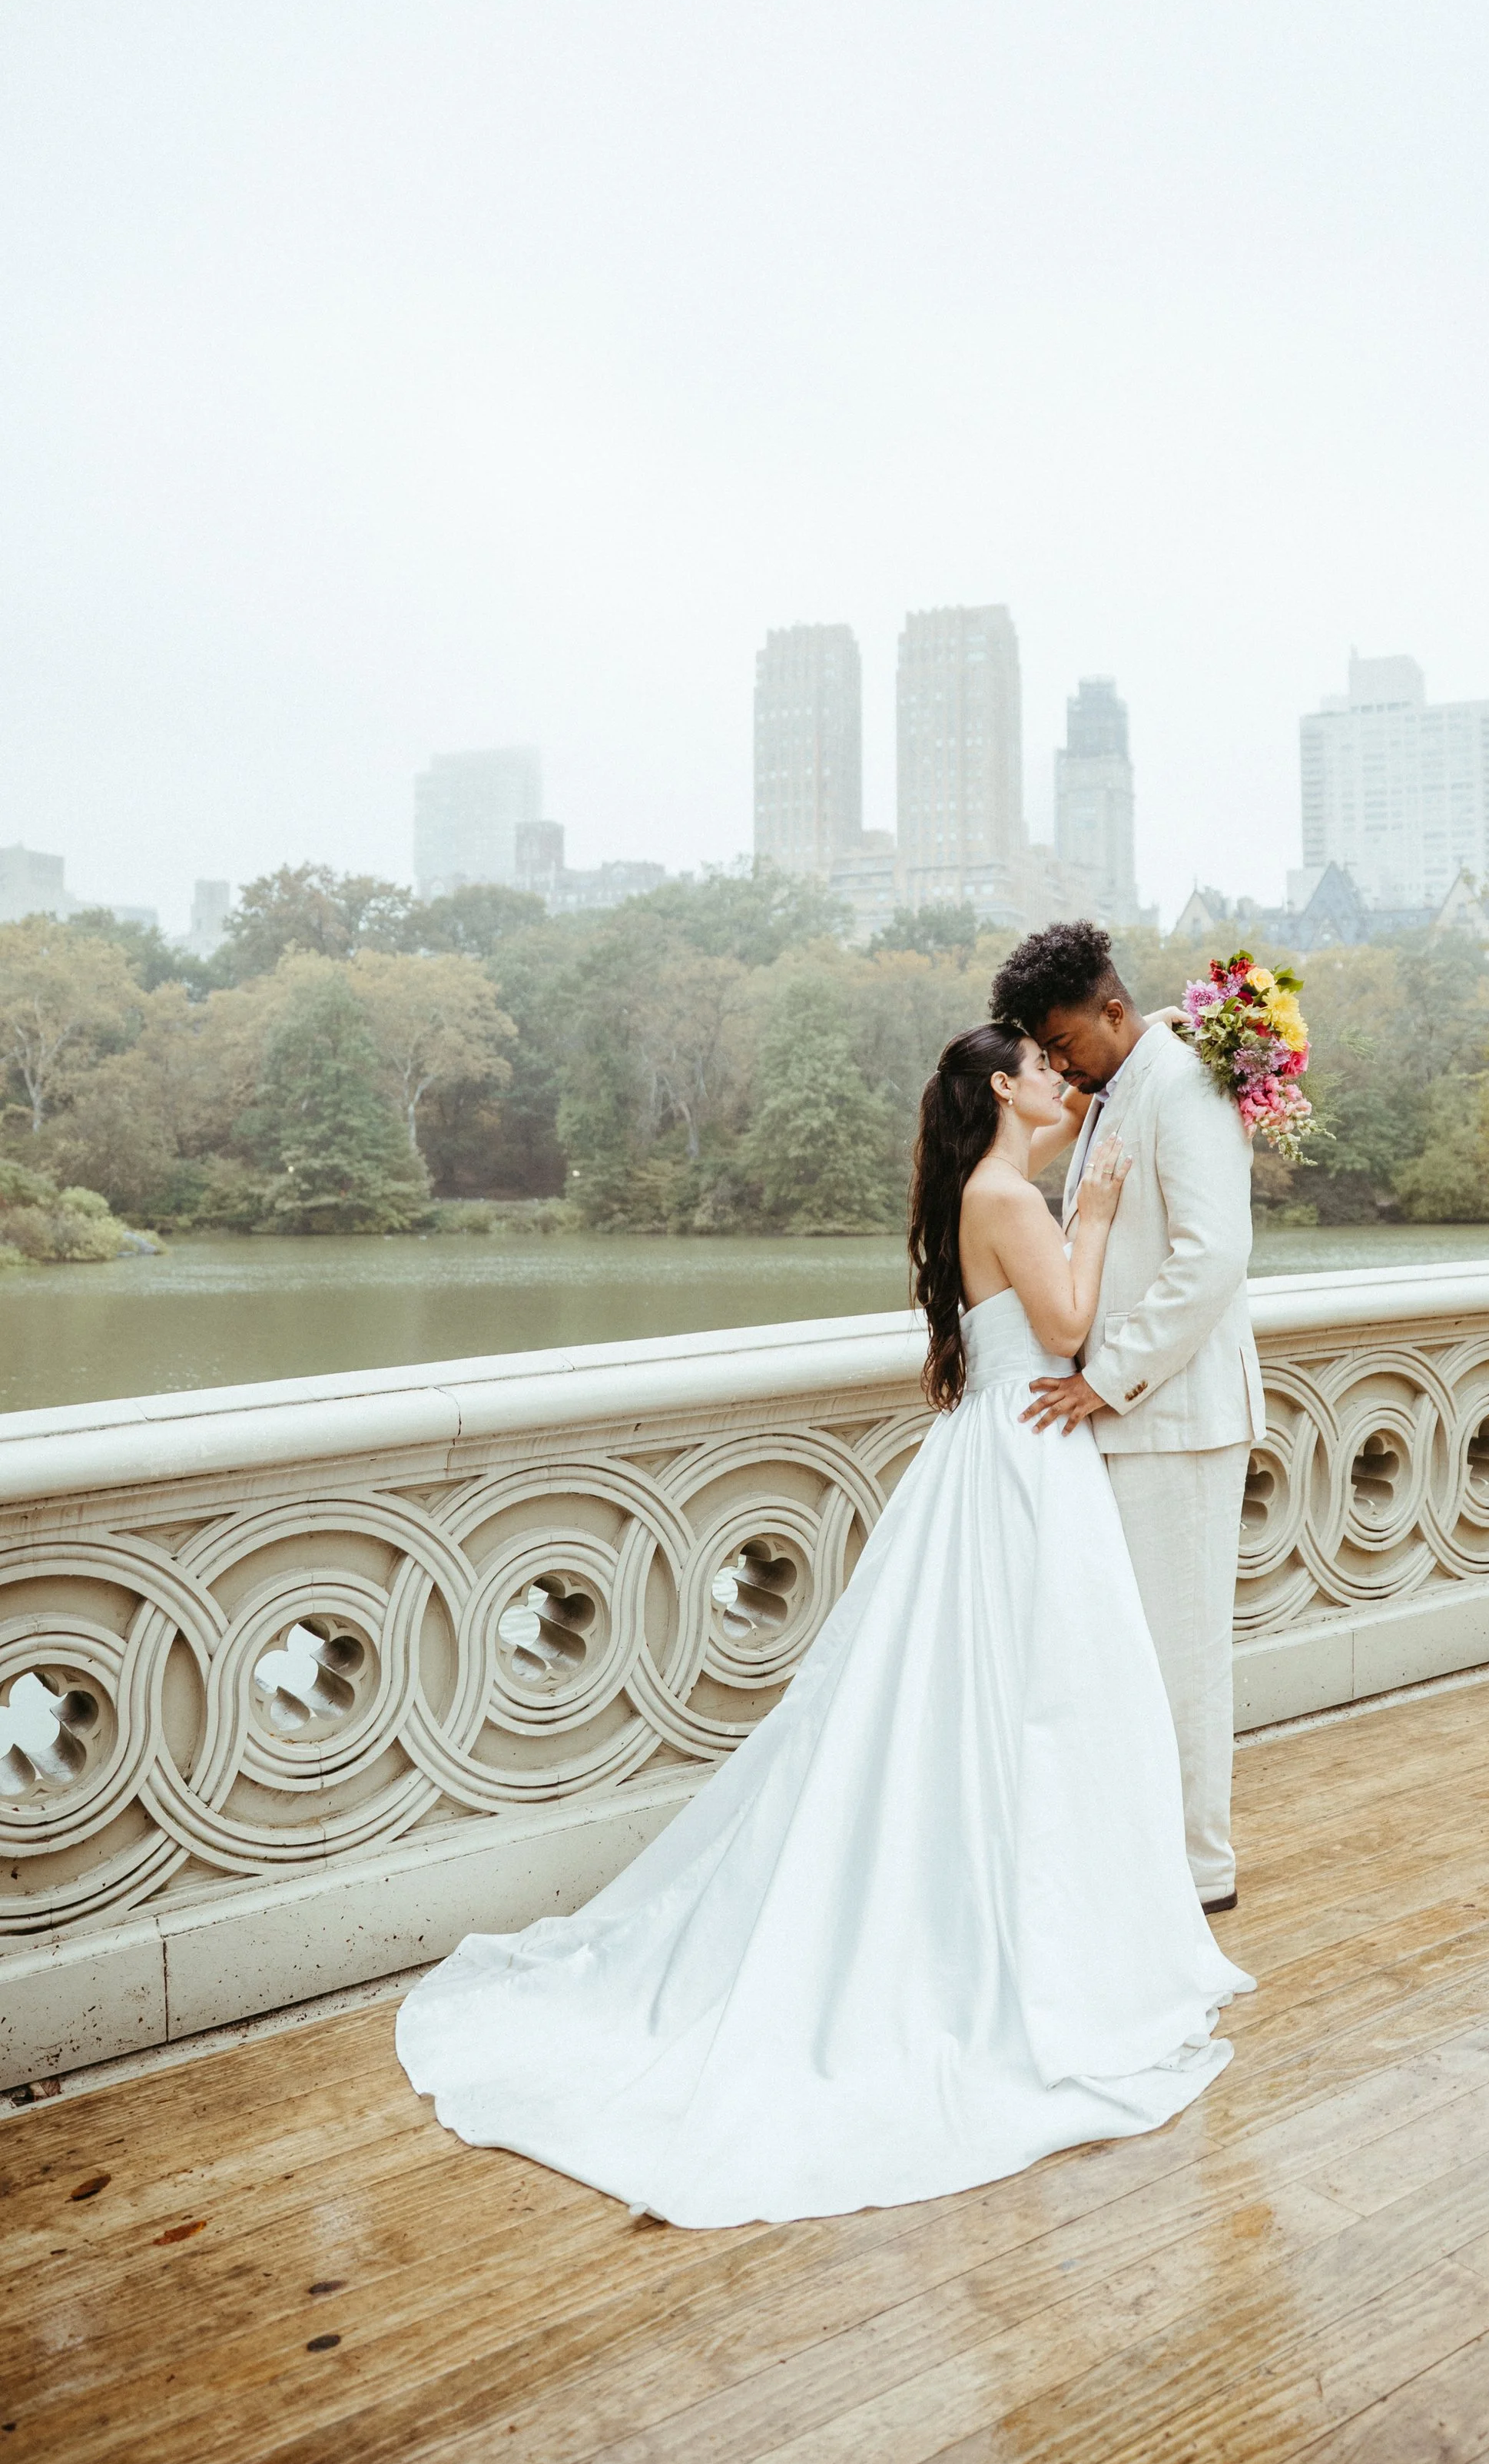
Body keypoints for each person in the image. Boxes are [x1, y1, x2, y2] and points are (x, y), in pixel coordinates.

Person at [393, 1020, 1249, 2229]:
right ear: (1006, 1086)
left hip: (1002, 1456)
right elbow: (1063, 1331)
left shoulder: (984, 1188)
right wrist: (1098, 1210)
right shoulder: (1009, 1193)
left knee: (1024, 1701)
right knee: (1033, 1697)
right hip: (1024, 1459)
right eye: (1045, 1069)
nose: (1064, 1081)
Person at [990, 924, 1262, 1915]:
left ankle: (1202, 1875)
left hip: (1178, 1419)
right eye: (1045, 1053)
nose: (1058, 1065)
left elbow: (1212, 1257)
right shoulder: (1111, 1095)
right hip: (1129, 1424)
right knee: (1132, 1651)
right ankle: (1146, 1854)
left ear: (1116, 1010)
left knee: (1182, 1655)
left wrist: (1108, 1379)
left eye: (1066, 1043)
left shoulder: (1182, 1084)